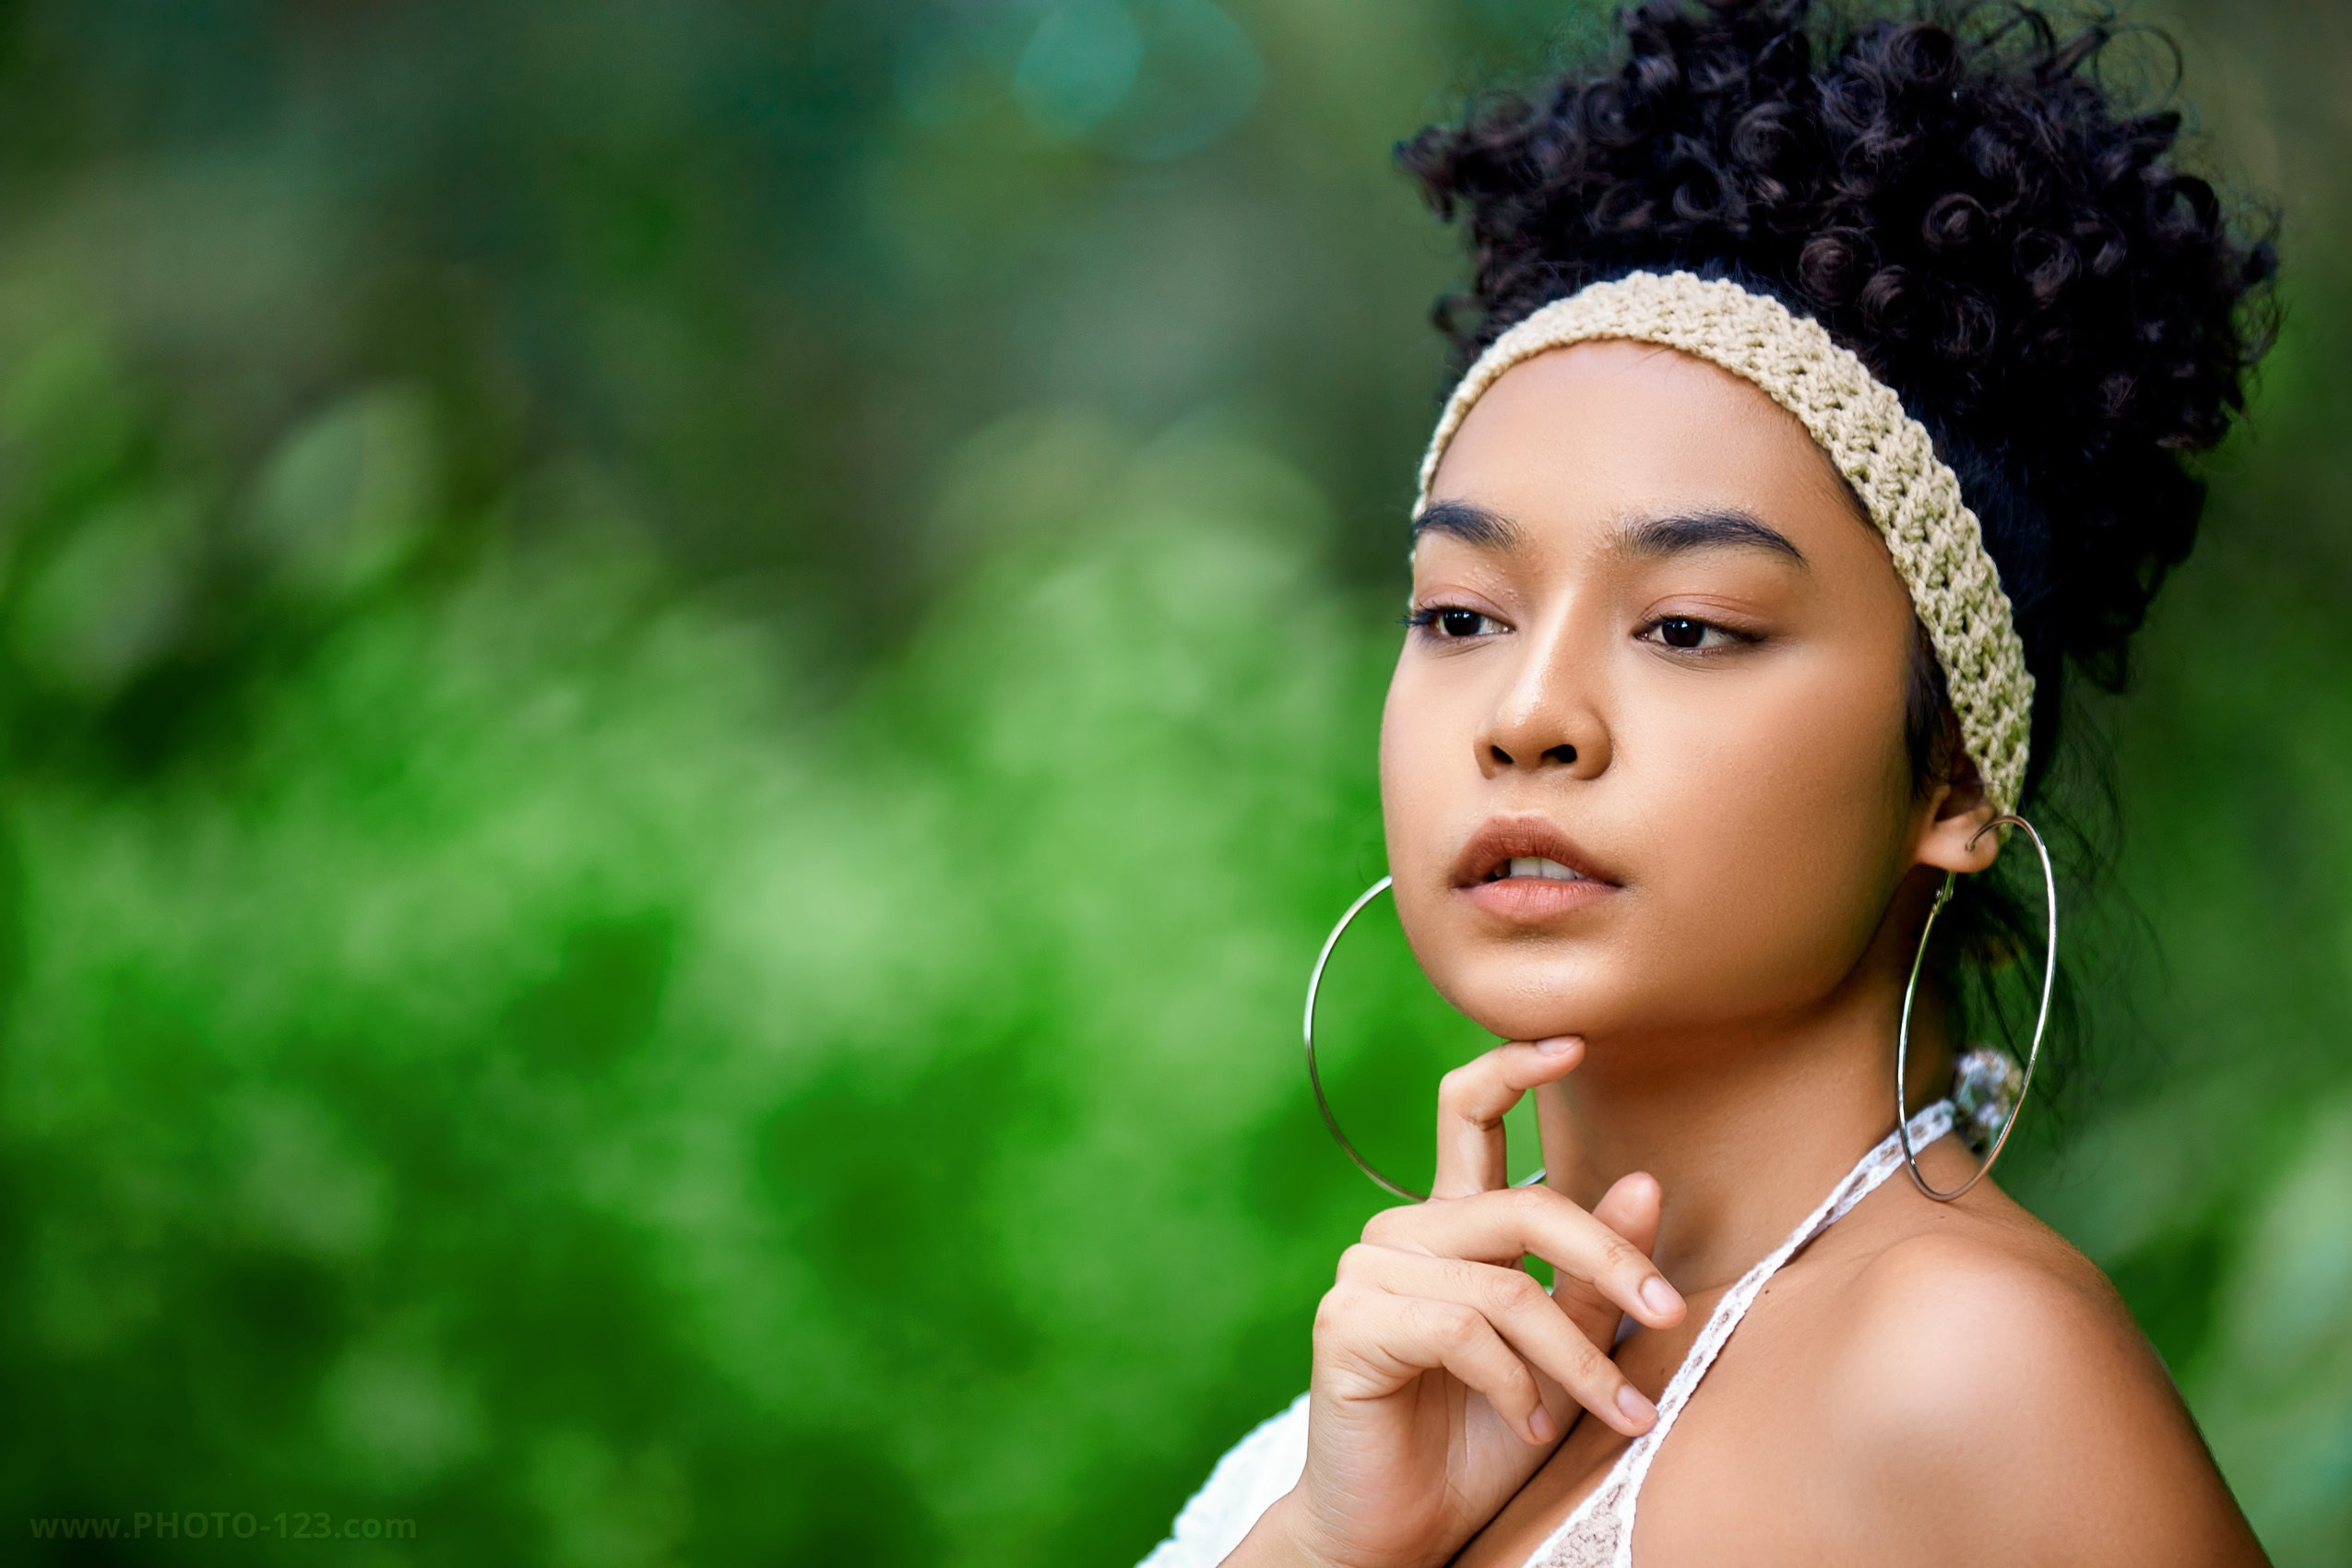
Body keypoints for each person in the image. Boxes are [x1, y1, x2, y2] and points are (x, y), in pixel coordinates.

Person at [1138, 2, 2279, 1564]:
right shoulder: (1408, 1408)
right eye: (1460, 615)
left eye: (1687, 627)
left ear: (1949, 773)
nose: (1526, 714)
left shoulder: (1961, 1372)